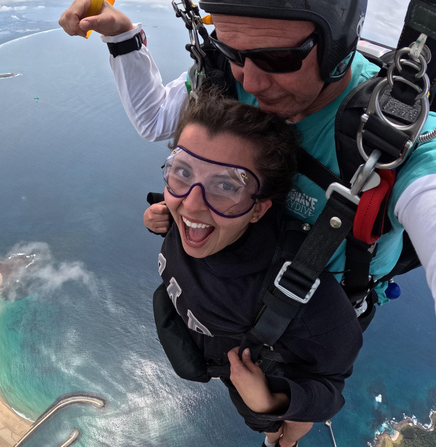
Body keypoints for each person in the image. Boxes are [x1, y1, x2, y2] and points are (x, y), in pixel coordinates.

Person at [59, 0, 436, 444]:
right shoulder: (229, 79)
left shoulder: (398, 135)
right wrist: (121, 34)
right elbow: (157, 117)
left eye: (277, 59)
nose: (252, 79)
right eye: (231, 50)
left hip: (314, 316)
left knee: (286, 416)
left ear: (337, 44)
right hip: (246, 276)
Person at [153, 89, 362, 447]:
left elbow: (332, 386)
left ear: (258, 209)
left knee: (276, 426)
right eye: (183, 171)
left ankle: (285, 442)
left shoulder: (302, 294)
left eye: (225, 186)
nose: (191, 204)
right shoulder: (189, 219)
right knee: (258, 419)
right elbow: (184, 207)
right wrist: (158, 215)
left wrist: (271, 401)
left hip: (266, 379)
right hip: (232, 366)